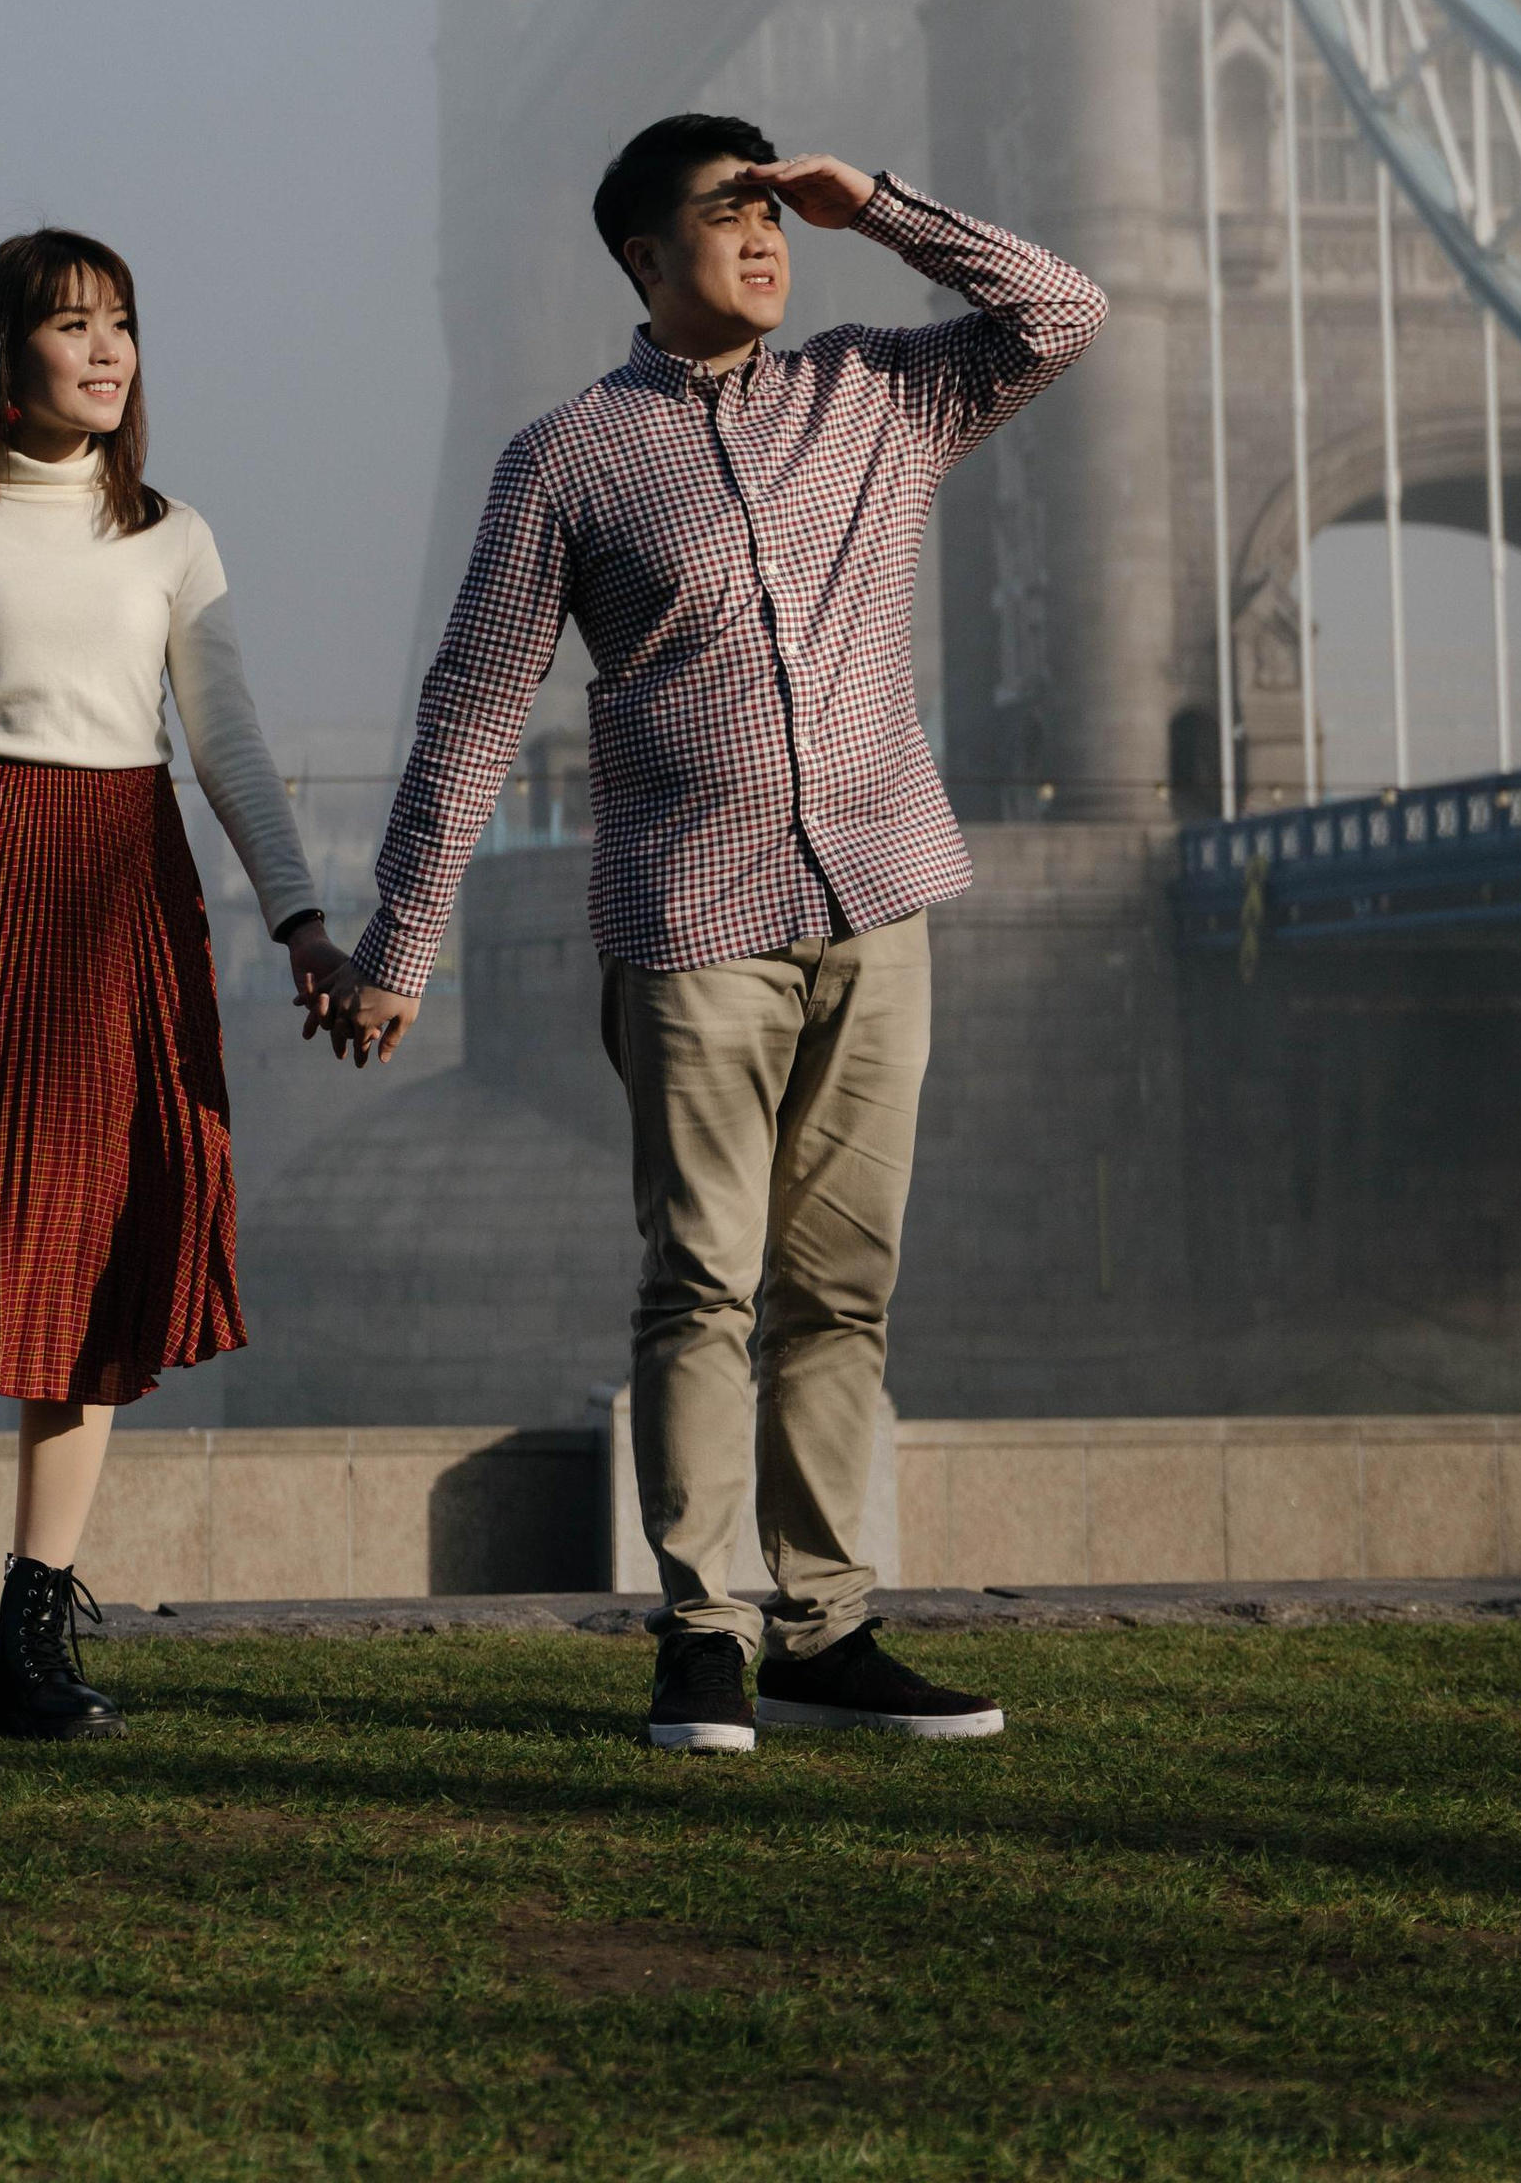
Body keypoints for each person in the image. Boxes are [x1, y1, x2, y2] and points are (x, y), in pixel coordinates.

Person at [331, 118, 1104, 1755]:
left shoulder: (881, 391)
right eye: (728, 212)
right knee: (702, 1284)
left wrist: (874, 205)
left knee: (845, 1290)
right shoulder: (564, 459)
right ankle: (703, 1633)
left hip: (879, 902)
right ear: (640, 256)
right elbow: (474, 707)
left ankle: (826, 1629)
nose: (765, 236)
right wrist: (403, 940)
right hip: (692, 923)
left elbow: (1063, 311)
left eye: (775, 213)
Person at [0, 226, 343, 1741]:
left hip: (127, 888)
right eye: (72, 323)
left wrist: (299, 920)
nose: (107, 350)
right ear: (4, 352)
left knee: (98, 1247)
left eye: (123, 323)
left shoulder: (171, 536)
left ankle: (33, 1637)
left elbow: (228, 742)